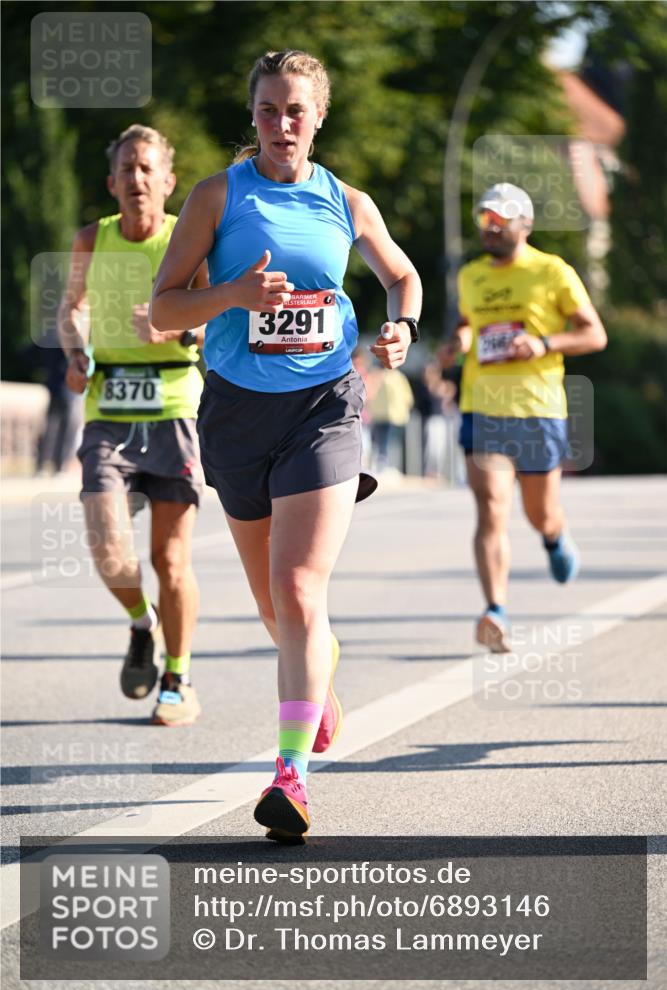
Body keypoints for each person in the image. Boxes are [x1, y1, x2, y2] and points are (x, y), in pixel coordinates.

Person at [151, 50, 422, 842]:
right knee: (275, 609)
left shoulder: (346, 200)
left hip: (324, 407)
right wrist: (231, 295)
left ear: (318, 117)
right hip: (236, 412)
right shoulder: (216, 196)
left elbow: (400, 277)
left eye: (295, 111)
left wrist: (400, 326)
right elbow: (166, 309)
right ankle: (320, 681)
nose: (280, 126)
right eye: (268, 110)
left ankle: (290, 777)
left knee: (299, 588)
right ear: (254, 116)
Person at [58, 124, 208, 725]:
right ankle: (140, 626)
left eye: (148, 169)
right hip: (109, 409)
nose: (137, 179)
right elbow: (71, 310)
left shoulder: (187, 240)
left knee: (171, 561)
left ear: (168, 182)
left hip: (174, 408)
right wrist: (74, 351)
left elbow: (213, 321)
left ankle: (178, 677)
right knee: (106, 545)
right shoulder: (92, 240)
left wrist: (173, 328)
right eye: (127, 169)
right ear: (112, 182)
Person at [439, 183, 606, 653]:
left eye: (500, 220)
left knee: (539, 513)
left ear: (524, 225)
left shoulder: (552, 271)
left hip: (537, 409)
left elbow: (594, 334)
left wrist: (544, 343)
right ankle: (496, 610)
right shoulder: (471, 276)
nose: (490, 228)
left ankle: (554, 536)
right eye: (485, 220)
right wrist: (460, 343)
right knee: (491, 506)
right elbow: (466, 326)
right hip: (483, 405)